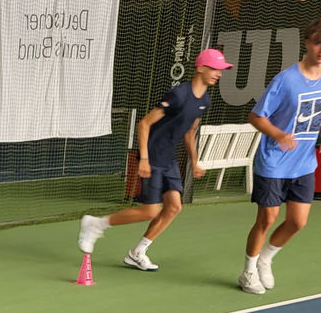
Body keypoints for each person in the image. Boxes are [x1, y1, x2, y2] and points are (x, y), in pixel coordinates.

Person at [78, 48, 233, 270]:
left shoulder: (205, 101)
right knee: (150, 211)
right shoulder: (179, 95)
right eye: (215, 68)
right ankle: (96, 224)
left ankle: (137, 252)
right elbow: (144, 123)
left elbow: (190, 132)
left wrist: (195, 161)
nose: (219, 73)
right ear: (200, 68)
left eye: (221, 70)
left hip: (168, 158)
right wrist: (143, 158)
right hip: (152, 156)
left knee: (174, 207)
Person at [237, 16, 321, 295]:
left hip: (304, 162)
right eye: (318, 42)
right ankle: (247, 272)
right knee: (267, 219)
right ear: (307, 43)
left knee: (298, 221)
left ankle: (266, 259)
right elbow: (256, 116)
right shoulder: (286, 80)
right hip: (273, 161)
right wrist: (279, 135)